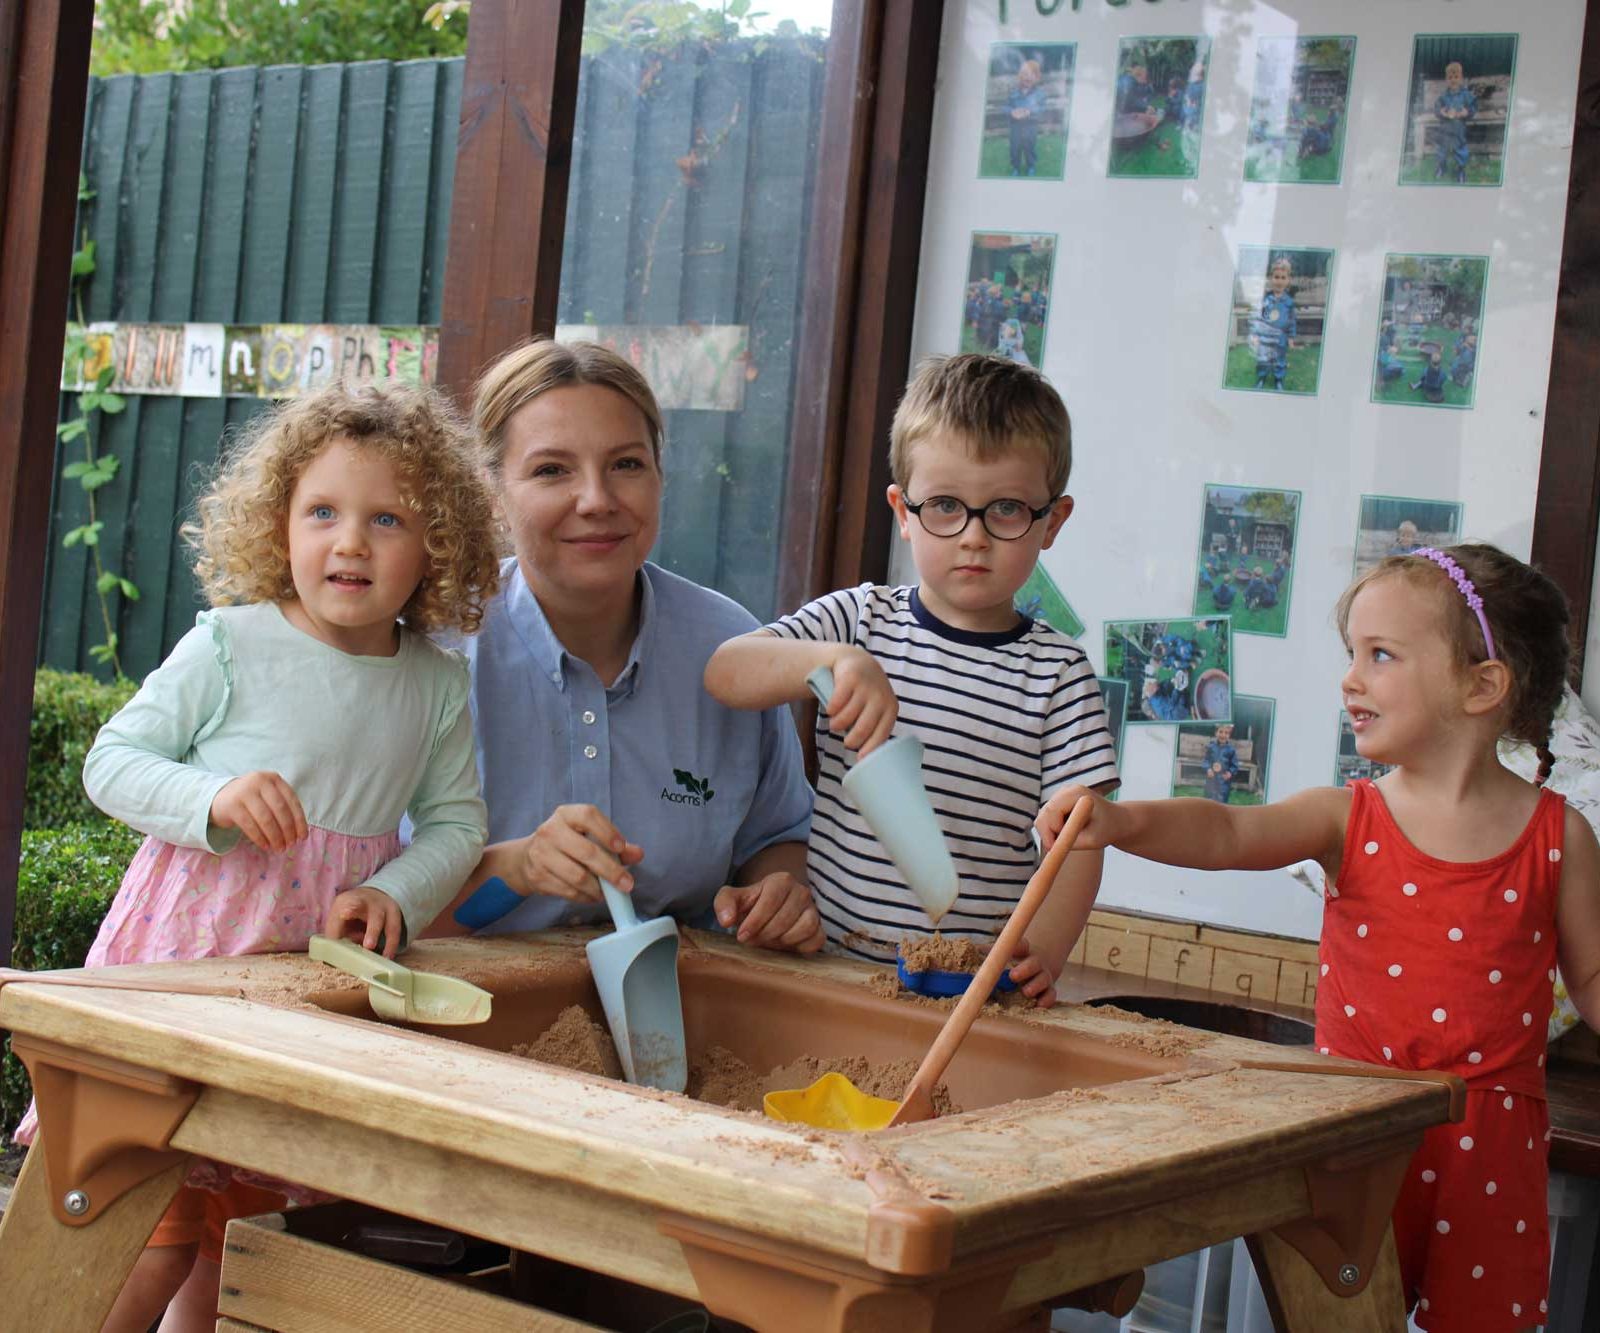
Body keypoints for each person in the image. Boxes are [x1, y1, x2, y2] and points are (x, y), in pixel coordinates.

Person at [19, 382, 503, 1333]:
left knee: (236, 1238)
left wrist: (390, 889)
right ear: (277, 521)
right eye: (322, 511)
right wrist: (211, 797)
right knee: (148, 1219)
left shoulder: (434, 683)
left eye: (388, 518)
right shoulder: (231, 646)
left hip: (308, 994)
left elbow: (455, 824)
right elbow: (110, 763)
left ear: (438, 546)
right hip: (187, 976)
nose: (350, 541)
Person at [1037, 543, 1600, 1331]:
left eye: (1381, 654)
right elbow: (1230, 831)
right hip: (1350, 1133)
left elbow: (1594, 979)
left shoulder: (1559, 836)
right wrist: (1124, 820)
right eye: (1351, 653)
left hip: (1490, 1154)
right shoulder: (1348, 817)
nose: (1351, 677)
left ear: (1482, 684)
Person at [704, 354, 1119, 1002]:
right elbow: (726, 670)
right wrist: (832, 661)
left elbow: (1081, 837)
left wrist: (1044, 947)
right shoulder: (856, 621)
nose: (973, 538)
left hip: (970, 983)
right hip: (830, 965)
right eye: (946, 506)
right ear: (903, 508)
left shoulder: (1057, 676)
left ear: (1052, 521)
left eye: (1007, 509)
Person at [432, 339, 821, 953]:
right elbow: (369, 909)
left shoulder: (731, 647)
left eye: (627, 465)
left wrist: (777, 893)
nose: (597, 500)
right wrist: (514, 868)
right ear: (490, 494)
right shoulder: (431, 653)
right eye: (551, 470)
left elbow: (776, 838)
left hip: (685, 1020)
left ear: (660, 476)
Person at [1249, 256, 1297, 390]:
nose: (1279, 281)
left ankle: (1278, 380)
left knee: (1279, 360)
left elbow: (1292, 320)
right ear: (1271, 278)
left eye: (1283, 278)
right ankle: (1261, 378)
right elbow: (1259, 318)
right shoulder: (1265, 300)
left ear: (1288, 280)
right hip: (1265, 336)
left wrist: (1291, 337)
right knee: (1263, 359)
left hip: (1280, 338)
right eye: (1276, 277)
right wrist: (1255, 334)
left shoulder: (1289, 302)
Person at [1434, 61, 1477, 183]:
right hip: (1445, 128)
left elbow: (1473, 108)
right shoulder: (1443, 97)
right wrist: (1441, 112)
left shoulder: (1466, 95)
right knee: (1442, 150)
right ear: (1446, 79)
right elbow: (1437, 109)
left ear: (1461, 78)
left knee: (1461, 150)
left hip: (1459, 129)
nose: (1453, 80)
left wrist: (1466, 112)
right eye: (1450, 77)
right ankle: (1442, 167)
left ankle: (1460, 170)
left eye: (1456, 77)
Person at [1007, 58, 1045, 177]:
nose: (1027, 77)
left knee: (1030, 148)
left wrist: (1030, 111)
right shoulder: (1013, 93)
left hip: (1030, 127)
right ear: (1020, 76)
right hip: (1016, 127)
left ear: (1037, 77)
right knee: (1015, 148)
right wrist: (1012, 112)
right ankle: (1016, 168)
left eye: (1032, 74)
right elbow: (1005, 107)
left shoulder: (1039, 94)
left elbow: (1042, 109)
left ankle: (1031, 166)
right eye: (1024, 74)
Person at [1201, 723, 1239, 804]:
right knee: (1208, 801)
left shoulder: (1231, 750)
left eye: (1226, 733)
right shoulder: (1211, 747)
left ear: (1229, 735)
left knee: (1222, 802)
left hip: (1223, 782)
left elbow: (1234, 765)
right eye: (1220, 732)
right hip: (1211, 780)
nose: (1223, 735)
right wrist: (1208, 769)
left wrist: (1230, 773)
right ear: (1216, 733)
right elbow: (1206, 760)